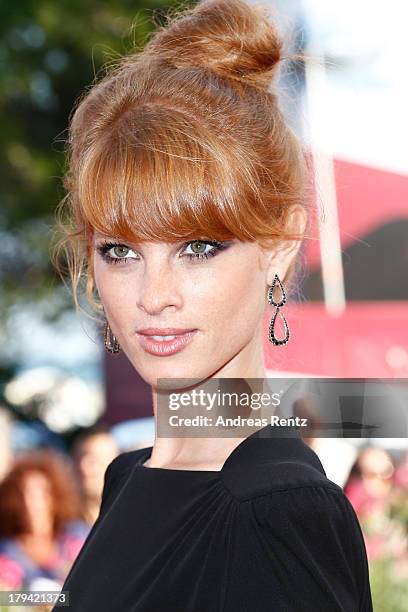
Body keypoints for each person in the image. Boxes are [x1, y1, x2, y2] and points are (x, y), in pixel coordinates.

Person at [51, 0, 373, 609]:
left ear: (278, 250)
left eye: (199, 247)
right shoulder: (130, 477)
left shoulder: (276, 510)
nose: (154, 295)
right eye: (120, 251)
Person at [0, 450, 89, 591]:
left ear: (56, 495)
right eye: (23, 494)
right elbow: (5, 600)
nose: (31, 503)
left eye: (42, 493)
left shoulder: (76, 536)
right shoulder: (7, 550)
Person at [71, 423, 119, 526]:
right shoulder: (61, 523)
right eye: (78, 458)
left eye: (93, 461)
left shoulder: (131, 516)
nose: (83, 467)